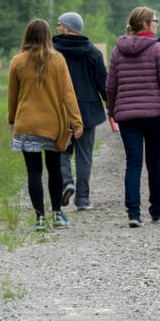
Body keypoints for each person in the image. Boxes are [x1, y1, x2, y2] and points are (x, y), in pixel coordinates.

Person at [106, 6, 160, 227]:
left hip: (127, 117)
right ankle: (156, 209)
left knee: (133, 163)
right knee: (154, 163)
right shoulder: (157, 49)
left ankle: (133, 213)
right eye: (154, 20)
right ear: (145, 25)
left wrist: (112, 111)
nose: (157, 23)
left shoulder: (117, 50)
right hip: (155, 115)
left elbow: (110, 86)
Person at [8, 19, 84, 231]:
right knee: (54, 170)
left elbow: (12, 96)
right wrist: (77, 122)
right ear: (48, 36)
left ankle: (40, 218)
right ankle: (58, 214)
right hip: (52, 125)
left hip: (26, 124)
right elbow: (68, 93)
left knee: (33, 172)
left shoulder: (17, 61)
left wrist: (12, 121)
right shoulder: (58, 60)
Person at [53, 12, 109, 211]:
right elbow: (103, 83)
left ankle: (66, 182)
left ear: (68, 28)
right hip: (87, 112)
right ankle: (83, 199)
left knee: (62, 152)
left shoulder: (53, 52)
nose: (57, 28)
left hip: (60, 111)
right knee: (84, 156)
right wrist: (110, 105)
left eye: (60, 25)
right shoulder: (93, 52)